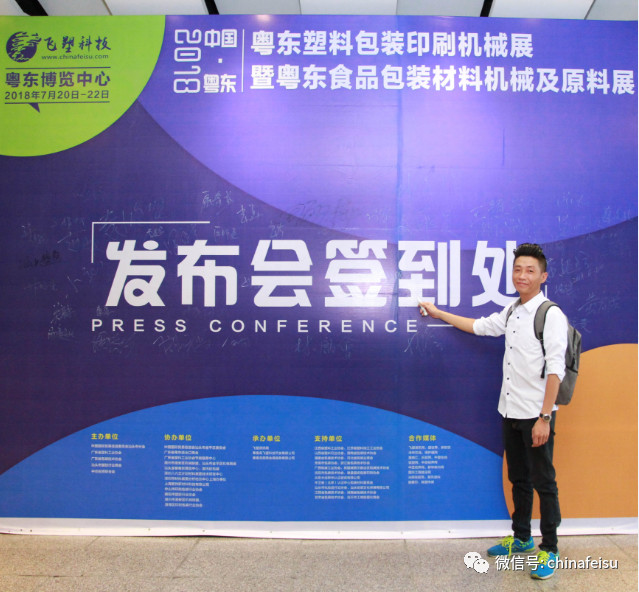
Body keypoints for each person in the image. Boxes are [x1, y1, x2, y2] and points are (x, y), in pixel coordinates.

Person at [419, 243, 567, 580]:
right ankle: (522, 538)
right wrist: (439, 314)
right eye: (518, 269)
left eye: (530, 270)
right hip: (510, 410)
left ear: (543, 276)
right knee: (519, 478)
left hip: (536, 414)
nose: (522, 275)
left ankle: (550, 548)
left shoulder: (551, 315)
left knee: (544, 481)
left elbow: (555, 370)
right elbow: (480, 326)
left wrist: (545, 417)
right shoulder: (512, 310)